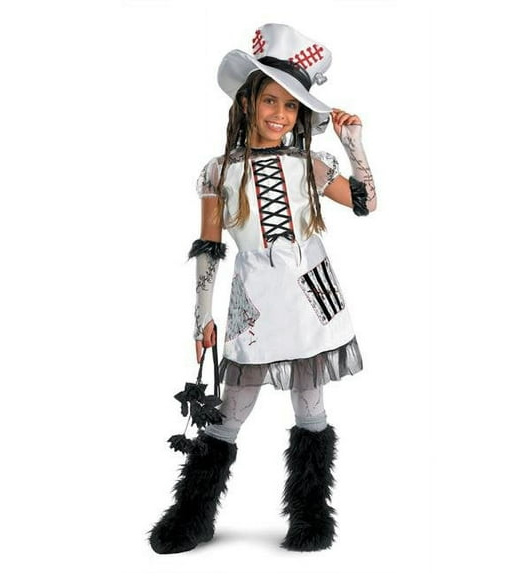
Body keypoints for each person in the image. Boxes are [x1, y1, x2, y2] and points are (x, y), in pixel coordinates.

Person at [148, 22, 377, 554]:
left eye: (291, 105)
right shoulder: (218, 172)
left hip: (311, 300)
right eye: (271, 100)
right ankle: (192, 514)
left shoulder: (311, 165)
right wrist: (201, 317)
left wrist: (353, 144)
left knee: (310, 405)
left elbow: (366, 203)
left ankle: (311, 517)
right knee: (230, 409)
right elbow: (210, 246)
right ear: (248, 102)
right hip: (253, 303)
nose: (280, 113)